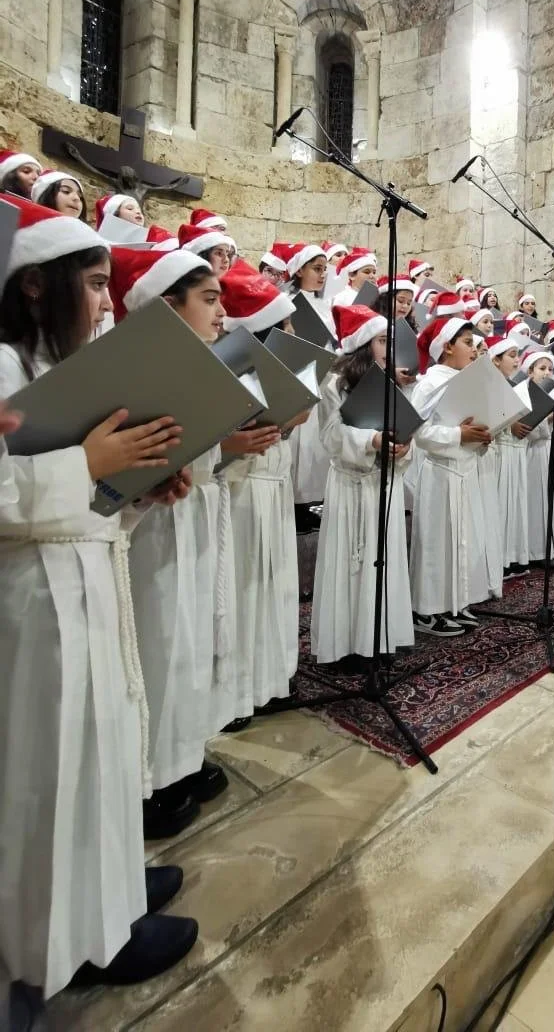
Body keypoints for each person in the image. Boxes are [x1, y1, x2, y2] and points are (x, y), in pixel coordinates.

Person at [0, 195, 198, 999]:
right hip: (38, 600)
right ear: (38, 288)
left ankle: (111, 890)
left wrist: (139, 484)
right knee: (57, 769)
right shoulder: (5, 365)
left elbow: (85, 487)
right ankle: (73, 946)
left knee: (103, 752)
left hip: (86, 577)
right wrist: (88, 463)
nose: (108, 302)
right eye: (92, 283)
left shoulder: (58, 370)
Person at [109, 245, 236, 840]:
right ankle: (152, 777)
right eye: (209, 300)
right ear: (167, 305)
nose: (221, 314)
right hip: (151, 526)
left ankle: (181, 756)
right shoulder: (137, 370)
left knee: (188, 641)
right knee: (159, 643)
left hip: (191, 512)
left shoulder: (200, 364)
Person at [217, 261, 302, 720]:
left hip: (273, 487)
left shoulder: (279, 369)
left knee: (275, 587)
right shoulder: (231, 372)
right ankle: (237, 695)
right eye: (284, 325)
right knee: (246, 589)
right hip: (244, 490)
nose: (292, 331)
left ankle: (272, 678)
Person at [311, 304, 415, 663]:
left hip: (384, 482)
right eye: (382, 341)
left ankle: (380, 638)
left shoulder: (392, 382)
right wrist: (370, 441)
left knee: (383, 558)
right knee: (352, 564)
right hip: (351, 484)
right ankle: (347, 646)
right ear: (362, 344)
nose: (389, 349)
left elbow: (407, 425)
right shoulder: (335, 385)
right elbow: (328, 435)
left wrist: (403, 447)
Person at [408, 316, 493, 636]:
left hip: (465, 469)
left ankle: (456, 601)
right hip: (441, 473)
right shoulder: (430, 383)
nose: (474, 350)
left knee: (463, 540)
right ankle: (427, 610)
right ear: (446, 347)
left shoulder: (467, 379)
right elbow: (420, 432)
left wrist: (482, 436)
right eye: (468, 344)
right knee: (436, 543)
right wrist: (459, 435)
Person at [285, 244, 334, 532]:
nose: (322, 275)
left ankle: (308, 503)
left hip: (319, 378)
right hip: (298, 376)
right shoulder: (290, 302)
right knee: (298, 445)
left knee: (312, 447)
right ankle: (295, 505)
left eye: (325, 270)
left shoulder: (324, 306)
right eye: (316, 268)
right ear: (300, 270)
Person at [523, 349, 554, 566]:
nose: (546, 373)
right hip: (535, 453)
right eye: (541, 369)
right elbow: (527, 431)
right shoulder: (524, 394)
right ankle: (538, 551)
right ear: (530, 371)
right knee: (538, 500)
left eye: (550, 369)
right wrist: (549, 420)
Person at [487, 335, 530, 579]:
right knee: (501, 507)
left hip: (516, 453)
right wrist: (509, 424)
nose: (517, 361)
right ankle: (500, 560)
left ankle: (513, 556)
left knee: (514, 505)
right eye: (512, 356)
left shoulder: (514, 387)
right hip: (500, 454)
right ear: (495, 360)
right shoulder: (492, 386)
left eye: (518, 356)